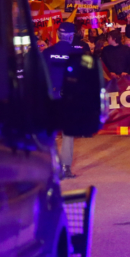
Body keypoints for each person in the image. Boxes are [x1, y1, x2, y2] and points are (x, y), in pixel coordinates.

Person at [42, 22, 89, 179]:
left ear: (58, 34)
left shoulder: (47, 52)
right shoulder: (78, 52)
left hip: (51, 97)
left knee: (51, 134)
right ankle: (65, 168)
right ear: (71, 36)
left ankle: (51, 166)